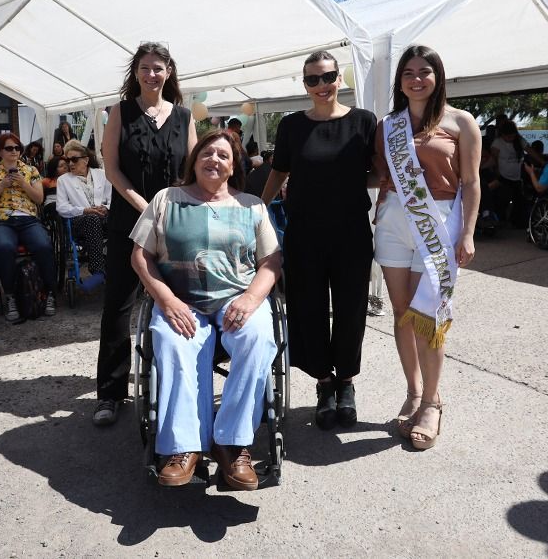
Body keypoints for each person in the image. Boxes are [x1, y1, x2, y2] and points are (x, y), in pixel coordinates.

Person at [131, 130, 281, 489]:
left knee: (259, 338)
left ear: (234, 167)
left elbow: (272, 260)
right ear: (194, 160)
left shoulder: (252, 206)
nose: (214, 160)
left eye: (223, 156)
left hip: (237, 299)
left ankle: (232, 444)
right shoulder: (167, 199)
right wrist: (166, 299)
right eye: (207, 153)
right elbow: (140, 255)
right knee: (172, 342)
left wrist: (250, 299)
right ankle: (185, 448)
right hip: (181, 299)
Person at [260, 50, 376, 430]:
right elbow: (278, 173)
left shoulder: (363, 121)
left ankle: (345, 383)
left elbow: (376, 174)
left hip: (352, 232)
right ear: (304, 84)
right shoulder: (292, 125)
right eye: (313, 80)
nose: (321, 86)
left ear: (340, 78)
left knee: (350, 308)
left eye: (327, 77)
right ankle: (323, 384)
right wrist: (255, 211)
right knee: (307, 309)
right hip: (305, 232)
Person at [372, 45, 481, 450]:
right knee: (402, 313)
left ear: (438, 76)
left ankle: (433, 402)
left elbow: (471, 182)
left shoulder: (461, 121)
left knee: (428, 315)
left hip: (438, 223)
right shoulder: (388, 126)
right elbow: (378, 174)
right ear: (399, 81)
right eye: (409, 73)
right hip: (393, 222)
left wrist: (467, 232)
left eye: (425, 71)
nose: (416, 79)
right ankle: (414, 392)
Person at [94, 41, 198, 427]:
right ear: (135, 73)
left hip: (175, 223)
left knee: (180, 301)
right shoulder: (119, 112)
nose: (151, 74)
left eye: (158, 68)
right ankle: (109, 393)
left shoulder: (185, 116)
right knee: (119, 306)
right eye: (145, 68)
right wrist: (146, 207)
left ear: (169, 71)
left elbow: (192, 170)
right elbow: (112, 170)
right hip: (129, 220)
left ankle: (177, 378)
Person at [0, 132, 57, 323]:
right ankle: (11, 296)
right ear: (0, 151)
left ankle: (49, 293)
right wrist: (2, 185)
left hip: (28, 218)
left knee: (44, 246)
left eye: (17, 148)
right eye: (9, 148)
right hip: (2, 220)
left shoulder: (31, 171)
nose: (14, 151)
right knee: (4, 248)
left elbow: (39, 198)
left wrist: (23, 183)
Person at [56, 139, 110, 292]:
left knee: (122, 219)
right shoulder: (63, 181)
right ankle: (98, 270)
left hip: (103, 217)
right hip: (79, 221)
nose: (70, 163)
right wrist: (84, 210)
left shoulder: (102, 175)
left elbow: (112, 198)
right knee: (92, 218)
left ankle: (126, 267)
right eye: (67, 160)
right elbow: (61, 207)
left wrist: (106, 207)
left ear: (86, 160)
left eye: (74, 159)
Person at [490, 121, 527, 228]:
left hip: (517, 177)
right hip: (502, 176)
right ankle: (499, 220)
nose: (510, 139)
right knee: (502, 199)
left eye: (512, 136)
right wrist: (497, 173)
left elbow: (530, 150)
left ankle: (516, 222)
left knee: (519, 200)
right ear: (502, 135)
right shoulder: (497, 143)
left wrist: (542, 161)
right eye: (508, 136)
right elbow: (494, 160)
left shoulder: (519, 141)